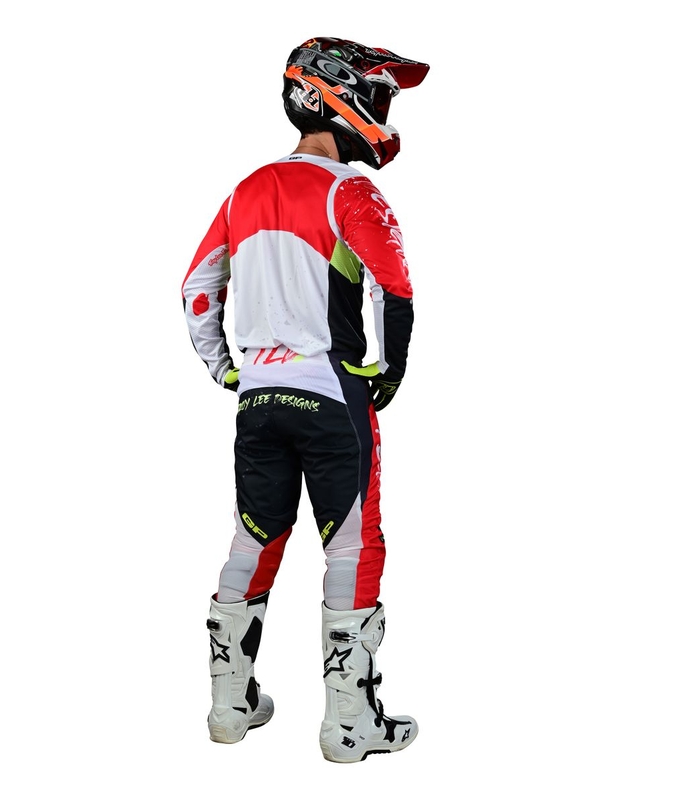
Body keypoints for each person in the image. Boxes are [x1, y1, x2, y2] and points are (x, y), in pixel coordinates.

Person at [182, 37, 430, 763]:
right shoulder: (350, 191)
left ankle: (228, 708)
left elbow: (196, 290)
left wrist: (228, 371)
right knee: (354, 546)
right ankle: (350, 725)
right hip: (332, 397)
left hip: (259, 402)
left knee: (252, 538)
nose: (382, 111)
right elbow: (395, 290)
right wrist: (390, 371)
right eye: (376, 96)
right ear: (337, 97)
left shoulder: (243, 191)